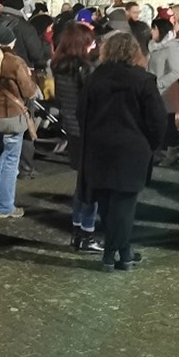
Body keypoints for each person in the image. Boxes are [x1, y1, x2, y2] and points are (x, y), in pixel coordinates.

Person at [79, 31, 165, 272]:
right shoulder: (143, 80)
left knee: (107, 202)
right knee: (125, 203)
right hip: (131, 148)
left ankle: (123, 251)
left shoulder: (95, 78)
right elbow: (157, 120)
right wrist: (151, 144)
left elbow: (81, 112)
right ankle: (112, 253)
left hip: (99, 146)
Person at [0, 25, 42, 220]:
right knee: (11, 162)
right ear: (11, 42)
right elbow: (29, 92)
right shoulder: (15, 62)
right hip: (12, 119)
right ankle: (5, 207)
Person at [52, 19, 101, 251]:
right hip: (87, 130)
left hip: (71, 129)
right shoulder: (85, 69)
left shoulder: (59, 66)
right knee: (91, 185)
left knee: (81, 183)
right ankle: (87, 234)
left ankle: (76, 229)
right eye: (90, 43)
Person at [147, 18, 179, 167]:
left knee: (168, 123)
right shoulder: (153, 46)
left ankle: (171, 153)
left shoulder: (172, 48)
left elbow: (176, 71)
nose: (151, 32)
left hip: (167, 91)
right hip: (153, 90)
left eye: (154, 29)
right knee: (155, 122)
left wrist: (159, 83)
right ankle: (157, 151)